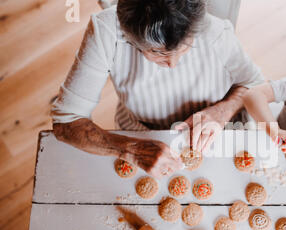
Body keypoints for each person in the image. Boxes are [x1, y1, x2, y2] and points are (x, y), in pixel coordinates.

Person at [52, 0, 264, 178]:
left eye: (184, 47)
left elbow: (257, 85)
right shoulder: (107, 32)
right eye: (157, 53)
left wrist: (223, 111)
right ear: (129, 36)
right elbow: (66, 123)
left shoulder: (215, 30)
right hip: (140, 134)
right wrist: (130, 150)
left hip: (215, 137)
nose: (172, 64)